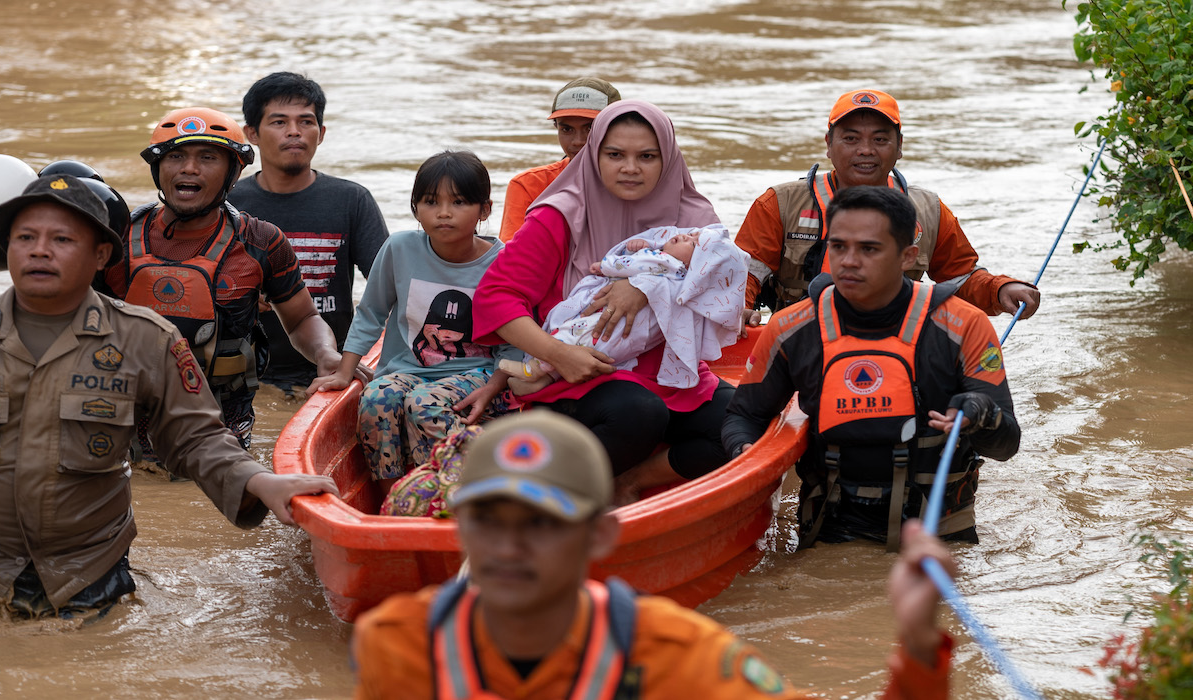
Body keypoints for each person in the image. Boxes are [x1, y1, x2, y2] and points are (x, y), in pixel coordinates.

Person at [351, 411, 955, 699]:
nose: (510, 547)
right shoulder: (398, 645)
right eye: (488, 520)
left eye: (542, 524)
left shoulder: (675, 656)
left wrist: (920, 646)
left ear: (599, 537)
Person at [0, 174, 339, 619]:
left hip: (89, 576)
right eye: (25, 237)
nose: (40, 250)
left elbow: (194, 436)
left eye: (62, 238)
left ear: (101, 255)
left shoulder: (147, 340)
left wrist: (259, 482)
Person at [723, 186, 1021, 550]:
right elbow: (744, 416)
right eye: (838, 246)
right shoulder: (790, 327)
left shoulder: (965, 325)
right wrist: (745, 456)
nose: (848, 261)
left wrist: (981, 414)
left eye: (869, 249)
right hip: (830, 531)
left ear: (907, 256)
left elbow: (1006, 444)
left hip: (938, 535)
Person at [474, 99, 735, 505]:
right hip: (577, 374)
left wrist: (645, 285)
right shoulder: (559, 215)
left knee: (740, 424)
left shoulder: (695, 221)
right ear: (594, 156)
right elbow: (497, 298)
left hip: (669, 372)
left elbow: (720, 296)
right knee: (639, 412)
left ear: (667, 159)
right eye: (615, 155)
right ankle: (550, 503)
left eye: (647, 156)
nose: (630, 168)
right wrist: (559, 355)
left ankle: (630, 481)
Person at [101, 106, 355, 451]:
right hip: (120, 426)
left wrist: (326, 354)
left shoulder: (261, 241)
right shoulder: (114, 238)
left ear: (233, 174)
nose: (189, 168)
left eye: (208, 157)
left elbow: (302, 319)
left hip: (220, 431)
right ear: (157, 168)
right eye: (176, 156)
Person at [735, 88, 1041, 328]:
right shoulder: (779, 204)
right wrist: (737, 311)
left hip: (895, 340)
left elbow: (960, 279)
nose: (866, 150)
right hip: (798, 338)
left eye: (880, 139)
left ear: (899, 146)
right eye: (851, 138)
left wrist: (1001, 290)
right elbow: (739, 276)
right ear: (829, 144)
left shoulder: (929, 211)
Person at [308, 151, 515, 496]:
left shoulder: (503, 262)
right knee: (376, 397)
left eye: (460, 202)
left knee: (423, 404)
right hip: (408, 369)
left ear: (485, 209)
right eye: (431, 201)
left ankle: (446, 492)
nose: (444, 212)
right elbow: (371, 312)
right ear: (415, 207)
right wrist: (345, 372)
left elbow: (516, 339)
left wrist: (493, 387)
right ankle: (396, 496)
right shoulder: (399, 248)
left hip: (477, 373)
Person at [230, 72, 390, 394]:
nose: (294, 132)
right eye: (279, 122)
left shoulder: (351, 201)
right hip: (246, 374)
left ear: (321, 133)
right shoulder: (230, 204)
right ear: (252, 133)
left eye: (306, 122)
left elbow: (391, 288)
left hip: (335, 366)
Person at [499, 223, 746, 395]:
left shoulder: (665, 262)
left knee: (577, 332)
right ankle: (547, 377)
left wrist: (605, 265)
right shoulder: (683, 281)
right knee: (594, 345)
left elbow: (628, 265)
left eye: (692, 244)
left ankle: (535, 368)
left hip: (614, 321)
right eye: (691, 234)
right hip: (633, 337)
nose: (683, 236)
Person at [498, 77, 622, 242]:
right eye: (567, 129)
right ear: (557, 128)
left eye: (590, 128)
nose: (578, 140)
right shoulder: (528, 185)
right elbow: (512, 256)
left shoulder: (635, 182)